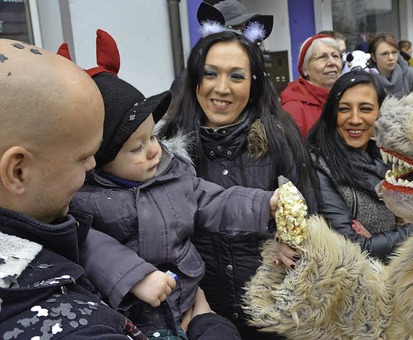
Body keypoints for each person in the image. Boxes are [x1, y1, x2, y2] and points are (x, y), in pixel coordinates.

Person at [0, 39, 239, 339]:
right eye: (83, 156)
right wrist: (211, 325)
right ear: (18, 170)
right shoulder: (79, 326)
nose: (92, 168)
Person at [69, 31, 278, 338]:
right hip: (134, 317)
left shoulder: (173, 173)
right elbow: (90, 246)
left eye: (152, 136)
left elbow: (214, 201)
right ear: (101, 158)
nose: (154, 149)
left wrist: (264, 203)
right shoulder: (86, 198)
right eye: (136, 148)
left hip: (189, 301)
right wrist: (136, 277)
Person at [159, 30, 318, 340]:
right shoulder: (166, 148)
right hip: (201, 318)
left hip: (275, 318)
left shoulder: (279, 137)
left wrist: (289, 243)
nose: (222, 88)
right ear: (195, 80)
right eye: (210, 74)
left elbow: (310, 221)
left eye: (236, 76)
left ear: (254, 82)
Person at [307, 70, 413, 261]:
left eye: (366, 109)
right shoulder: (318, 166)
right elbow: (355, 247)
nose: (355, 119)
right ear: (332, 114)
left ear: (380, 113)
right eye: (344, 109)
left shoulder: (390, 160)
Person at [280, 33, 342, 137]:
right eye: (323, 57)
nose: (332, 62)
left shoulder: (347, 97)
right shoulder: (293, 109)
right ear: (305, 70)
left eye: (335, 56)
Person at [368, 32, 413, 97]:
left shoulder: (410, 75)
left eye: (394, 52)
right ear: (374, 57)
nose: (391, 58)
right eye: (384, 54)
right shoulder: (367, 78)